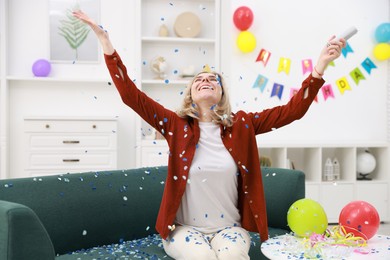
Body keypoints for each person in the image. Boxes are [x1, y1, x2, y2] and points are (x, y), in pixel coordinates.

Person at [73, 10, 346, 260]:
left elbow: (292, 111)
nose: (205, 81)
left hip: (230, 229)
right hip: (183, 230)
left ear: (222, 94)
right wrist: (106, 44)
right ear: (191, 95)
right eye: (198, 81)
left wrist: (320, 67)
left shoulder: (243, 125)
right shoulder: (174, 125)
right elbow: (131, 96)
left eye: (213, 80)